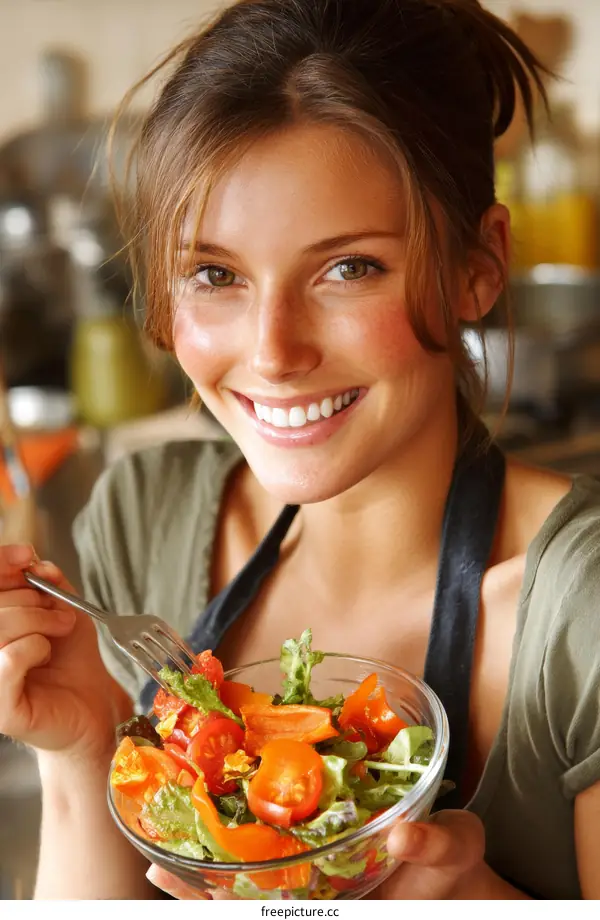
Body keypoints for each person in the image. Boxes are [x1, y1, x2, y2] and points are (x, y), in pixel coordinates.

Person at [1, 0, 599, 901]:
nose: (274, 352)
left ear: (479, 264)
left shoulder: (581, 608)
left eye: (348, 267)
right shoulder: (144, 517)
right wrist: (86, 748)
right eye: (216, 274)